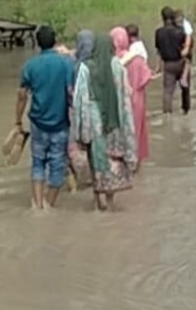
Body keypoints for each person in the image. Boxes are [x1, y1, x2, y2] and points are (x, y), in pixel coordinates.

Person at [72, 35, 137, 211]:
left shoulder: (86, 68)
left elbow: (80, 100)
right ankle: (110, 200)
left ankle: (97, 199)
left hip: (94, 120)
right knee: (113, 160)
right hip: (114, 118)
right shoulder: (118, 66)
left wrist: (79, 131)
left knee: (97, 159)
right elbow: (125, 95)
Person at [16, 25, 74, 209]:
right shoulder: (66, 64)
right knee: (57, 165)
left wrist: (17, 121)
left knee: (38, 163)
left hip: (37, 124)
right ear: (55, 41)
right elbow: (71, 92)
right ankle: (49, 204)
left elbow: (22, 96)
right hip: (60, 123)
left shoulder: (30, 66)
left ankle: (38, 205)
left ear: (38, 44)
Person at [111, 27, 155, 169]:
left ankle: (120, 161)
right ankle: (135, 162)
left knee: (119, 131)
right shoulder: (135, 58)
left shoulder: (111, 61)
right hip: (136, 100)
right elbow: (147, 77)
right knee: (136, 129)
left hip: (117, 101)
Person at [66, 30, 95, 189]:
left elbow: (68, 89)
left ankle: (74, 178)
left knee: (74, 146)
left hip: (74, 112)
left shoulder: (74, 65)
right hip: (94, 114)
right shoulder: (101, 64)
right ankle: (93, 179)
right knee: (92, 147)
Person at [154, 7, 189, 115]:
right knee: (185, 87)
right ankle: (185, 110)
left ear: (162, 18)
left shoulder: (158, 32)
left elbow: (159, 51)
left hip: (168, 64)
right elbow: (186, 48)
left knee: (168, 91)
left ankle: (167, 114)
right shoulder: (180, 31)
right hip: (181, 62)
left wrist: (158, 66)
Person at [174, 10, 193, 89]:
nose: (179, 22)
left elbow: (188, 36)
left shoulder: (186, 24)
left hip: (185, 41)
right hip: (176, 42)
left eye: (180, 21)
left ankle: (184, 77)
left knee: (188, 59)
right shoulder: (172, 24)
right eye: (177, 20)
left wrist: (186, 48)